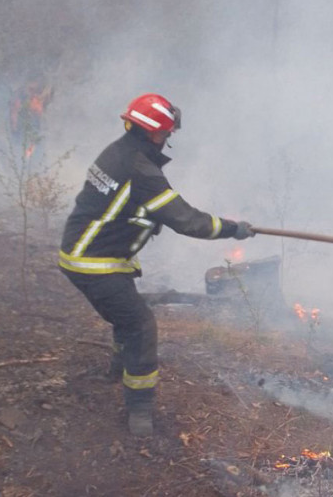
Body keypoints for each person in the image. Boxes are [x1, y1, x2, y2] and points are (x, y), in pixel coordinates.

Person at [58, 93, 255, 437]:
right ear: (152, 133)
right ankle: (140, 410)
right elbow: (188, 221)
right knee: (142, 326)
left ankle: (116, 370)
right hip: (95, 262)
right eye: (166, 133)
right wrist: (232, 228)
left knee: (127, 315)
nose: (168, 138)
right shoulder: (140, 170)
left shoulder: (117, 151)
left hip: (83, 253)